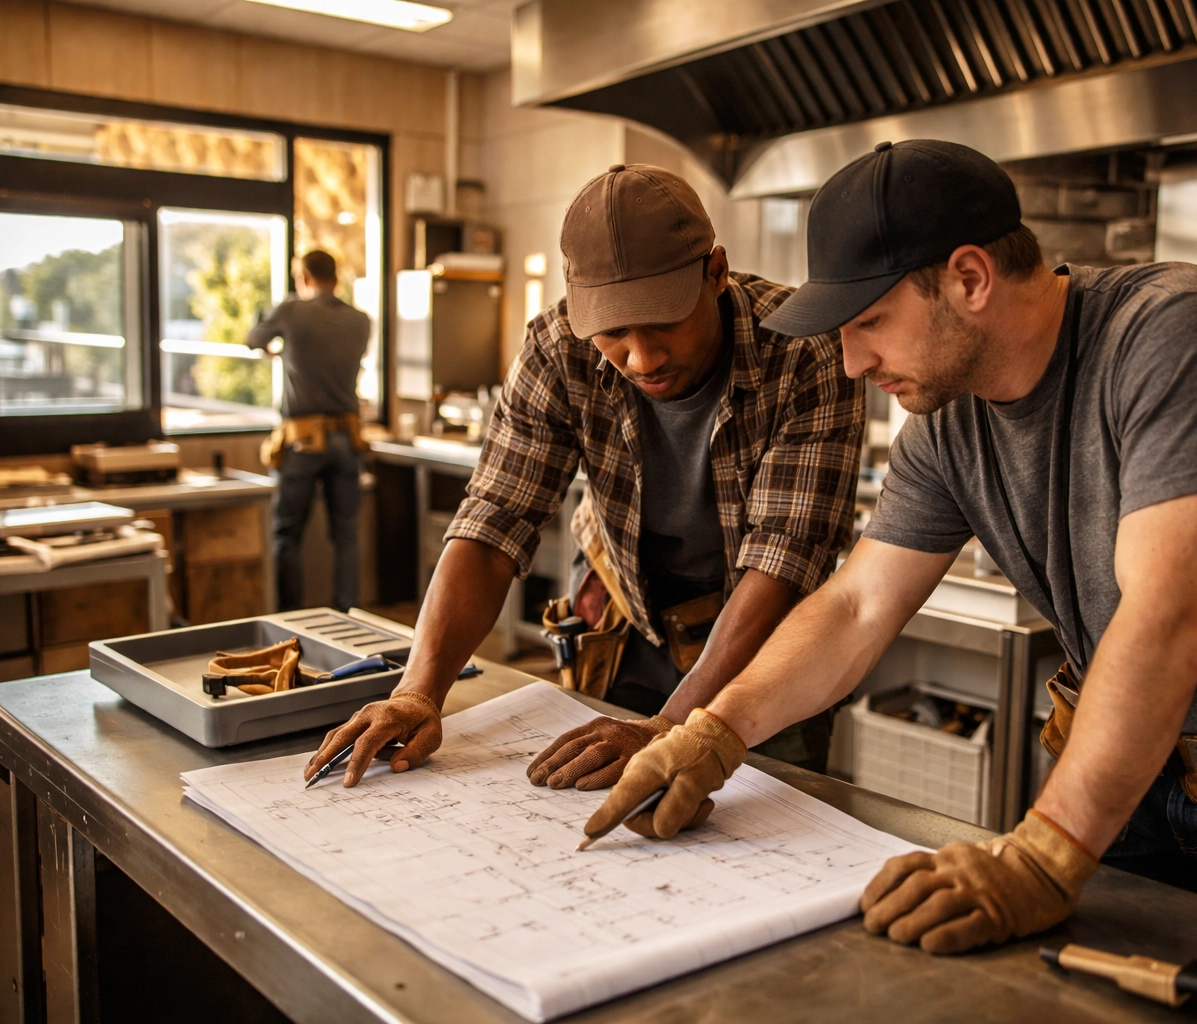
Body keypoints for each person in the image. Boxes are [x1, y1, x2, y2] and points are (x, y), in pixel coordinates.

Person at [586, 140, 1197, 1023]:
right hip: (1130, 786)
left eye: (867, 322)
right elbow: (856, 603)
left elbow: (1168, 617)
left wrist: (1043, 856)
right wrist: (714, 731)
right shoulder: (949, 427)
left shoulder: (1179, 334)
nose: (850, 365)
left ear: (969, 279)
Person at [304, 163, 864, 792]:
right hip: (626, 625)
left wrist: (675, 727)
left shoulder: (803, 350)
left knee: (765, 832)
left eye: (664, 322)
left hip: (763, 650)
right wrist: (418, 691)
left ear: (716, 272)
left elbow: (783, 562)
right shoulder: (557, 347)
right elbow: (495, 520)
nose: (642, 358)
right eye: (614, 332)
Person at [247, 249, 371, 611]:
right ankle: (347, 615)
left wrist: (277, 330)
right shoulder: (361, 320)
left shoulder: (291, 311)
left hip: (302, 440)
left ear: (303, 277)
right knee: (346, 536)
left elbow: (253, 339)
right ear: (336, 277)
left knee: (287, 535)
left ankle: (291, 621)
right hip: (348, 437)